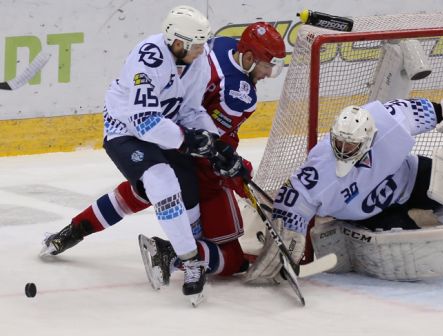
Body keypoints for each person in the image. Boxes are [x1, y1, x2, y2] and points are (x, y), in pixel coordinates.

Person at [40, 22, 286, 288]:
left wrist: (221, 152)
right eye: (267, 65)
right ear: (248, 58)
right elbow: (211, 151)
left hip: (167, 134)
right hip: (190, 155)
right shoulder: (238, 95)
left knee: (144, 189)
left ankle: (74, 230)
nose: (269, 73)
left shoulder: (224, 45)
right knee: (230, 259)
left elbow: (199, 123)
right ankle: (172, 253)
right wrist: (237, 169)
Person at [244, 90, 443, 282]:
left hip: (410, 178)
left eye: (350, 144)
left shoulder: (386, 120)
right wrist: (283, 242)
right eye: (338, 141)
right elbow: (292, 202)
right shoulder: (319, 169)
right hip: (371, 214)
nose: (342, 149)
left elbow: (439, 109)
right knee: (416, 257)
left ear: (368, 139)